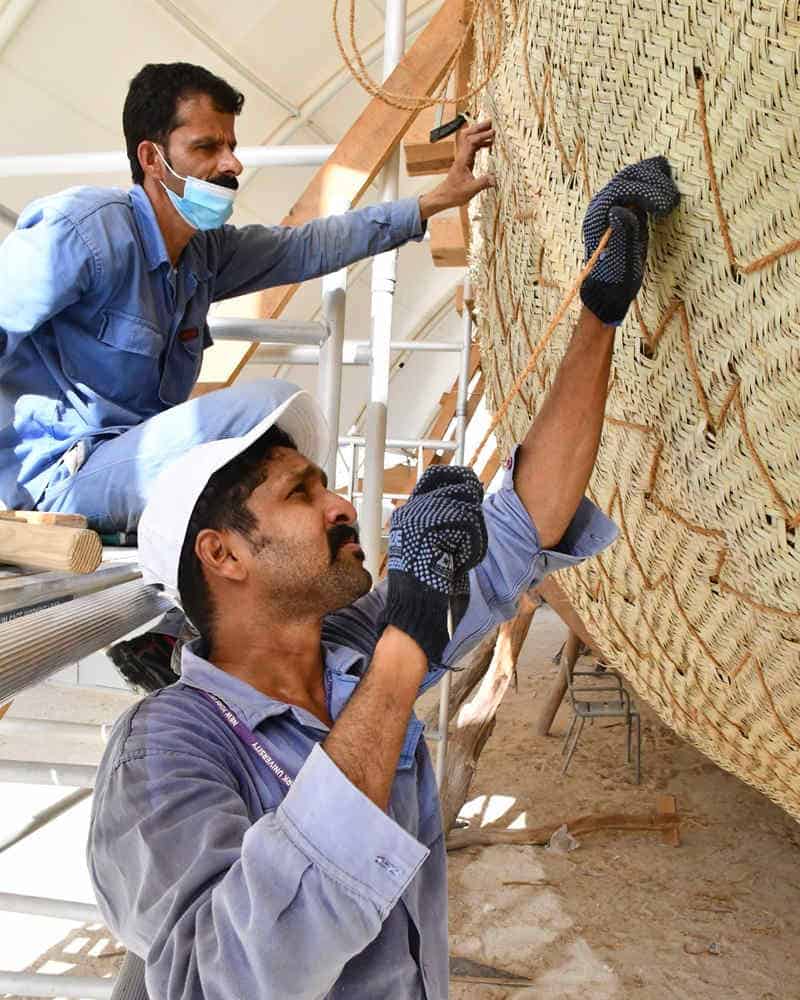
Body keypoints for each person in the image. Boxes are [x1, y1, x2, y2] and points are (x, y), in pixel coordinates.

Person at [87, 157, 679, 998]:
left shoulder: (349, 647)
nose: (340, 505)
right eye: (304, 491)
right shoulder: (165, 750)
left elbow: (526, 524)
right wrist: (409, 637)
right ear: (223, 555)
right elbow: (233, 977)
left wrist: (601, 306)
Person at [0, 61, 495, 525]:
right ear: (152, 158)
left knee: (272, 442)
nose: (232, 163)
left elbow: (309, 246)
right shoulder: (86, 230)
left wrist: (432, 202)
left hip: (133, 461)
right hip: (62, 478)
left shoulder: (204, 254)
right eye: (206, 148)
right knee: (274, 405)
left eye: (231, 146)